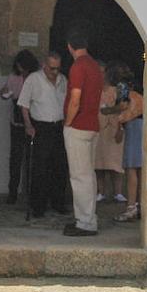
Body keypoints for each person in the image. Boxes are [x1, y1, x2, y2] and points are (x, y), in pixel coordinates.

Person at [18, 51, 70, 218]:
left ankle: (58, 202)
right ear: (44, 66)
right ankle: (38, 205)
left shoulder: (63, 80)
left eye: (57, 68)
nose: (55, 72)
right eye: (52, 68)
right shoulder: (34, 79)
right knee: (39, 168)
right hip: (40, 126)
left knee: (59, 166)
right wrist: (28, 125)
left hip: (58, 127)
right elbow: (24, 104)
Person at [63, 27, 103, 237]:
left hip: (78, 126)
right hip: (92, 125)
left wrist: (68, 123)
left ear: (70, 46)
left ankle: (85, 222)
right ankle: (88, 218)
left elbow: (75, 99)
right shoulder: (95, 66)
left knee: (80, 176)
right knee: (88, 175)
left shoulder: (78, 66)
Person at [1, 50, 39, 205]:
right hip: (16, 122)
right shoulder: (13, 77)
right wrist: (4, 92)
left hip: (33, 119)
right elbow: (6, 94)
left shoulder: (36, 78)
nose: (21, 70)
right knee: (15, 159)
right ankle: (13, 192)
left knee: (32, 159)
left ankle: (31, 193)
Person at [110, 63, 145, 223]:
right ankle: (140, 205)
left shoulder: (122, 86)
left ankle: (131, 207)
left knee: (131, 168)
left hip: (133, 125)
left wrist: (109, 110)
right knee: (141, 169)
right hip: (144, 125)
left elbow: (123, 105)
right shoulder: (140, 84)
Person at [94, 62, 127, 206]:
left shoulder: (117, 90)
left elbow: (123, 109)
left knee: (115, 162)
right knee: (98, 162)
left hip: (114, 128)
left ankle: (118, 192)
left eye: (102, 72)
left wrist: (120, 127)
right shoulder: (93, 90)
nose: (101, 75)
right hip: (98, 128)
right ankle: (100, 192)